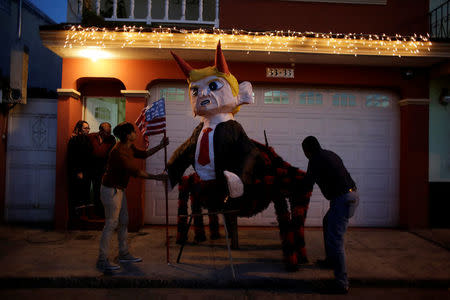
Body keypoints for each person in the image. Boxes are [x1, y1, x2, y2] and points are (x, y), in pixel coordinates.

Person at [96, 121, 169, 272]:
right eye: (134, 132)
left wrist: (161, 146)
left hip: (119, 190)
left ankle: (123, 253)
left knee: (124, 221)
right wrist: (157, 177)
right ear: (128, 135)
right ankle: (102, 260)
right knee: (111, 224)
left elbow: (144, 154)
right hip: (111, 191)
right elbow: (137, 172)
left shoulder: (129, 147)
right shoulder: (119, 152)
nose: (136, 134)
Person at [300, 136, 359, 294]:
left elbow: (307, 184)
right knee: (328, 222)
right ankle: (330, 261)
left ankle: (342, 282)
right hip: (351, 195)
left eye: (304, 151)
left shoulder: (315, 160)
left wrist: (292, 188)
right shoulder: (329, 154)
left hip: (342, 199)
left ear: (307, 150)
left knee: (336, 240)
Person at [88, 122, 116, 218]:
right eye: (106, 133)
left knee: (101, 191)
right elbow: (82, 145)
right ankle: (93, 212)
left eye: (109, 132)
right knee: (92, 190)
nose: (108, 134)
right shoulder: (91, 137)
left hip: (103, 168)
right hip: (91, 167)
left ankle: (101, 213)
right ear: (100, 131)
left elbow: (111, 155)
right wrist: (75, 136)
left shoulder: (111, 139)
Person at [67, 120, 93, 222]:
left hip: (87, 170)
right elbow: (73, 157)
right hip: (79, 171)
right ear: (79, 129)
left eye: (88, 128)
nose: (87, 130)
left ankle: (84, 214)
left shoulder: (87, 139)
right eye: (85, 128)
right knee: (78, 193)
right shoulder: (74, 140)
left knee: (86, 191)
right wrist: (78, 171)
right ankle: (77, 216)